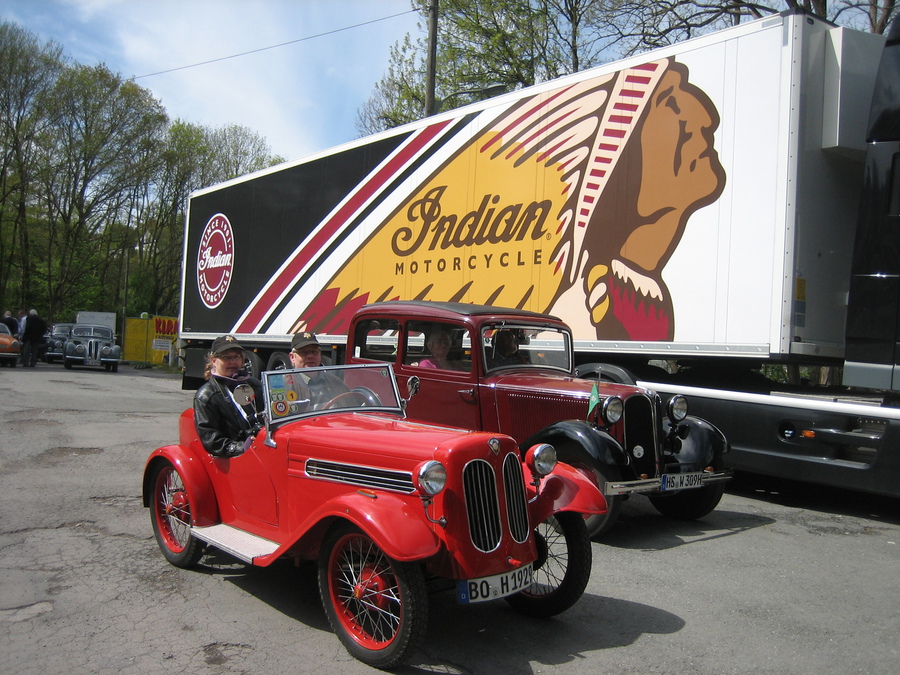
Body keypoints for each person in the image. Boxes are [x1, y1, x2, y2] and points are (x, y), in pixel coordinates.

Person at [193, 335, 263, 458]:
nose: (232, 362)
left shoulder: (255, 385)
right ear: (213, 360)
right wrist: (242, 447)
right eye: (226, 357)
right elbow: (212, 441)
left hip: (262, 448)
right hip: (233, 458)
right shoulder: (206, 396)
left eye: (237, 357)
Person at [288, 332, 349, 408]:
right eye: (304, 352)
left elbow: (351, 406)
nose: (310, 356)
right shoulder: (286, 386)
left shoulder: (336, 382)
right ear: (292, 357)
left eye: (314, 352)